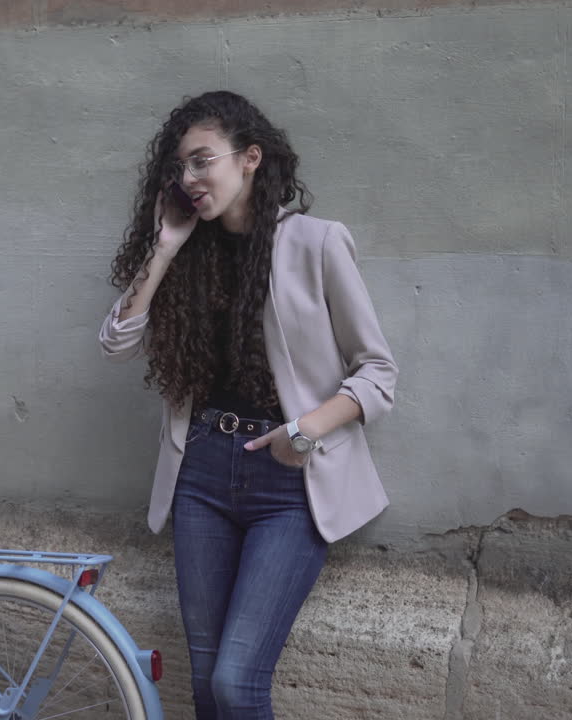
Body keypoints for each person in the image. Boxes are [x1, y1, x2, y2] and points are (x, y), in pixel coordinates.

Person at [98, 90, 398, 719]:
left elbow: (377, 373)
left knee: (237, 681)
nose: (189, 179)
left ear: (251, 158)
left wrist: (306, 431)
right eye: (180, 168)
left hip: (287, 482)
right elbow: (116, 343)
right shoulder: (189, 256)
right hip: (201, 475)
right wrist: (165, 245)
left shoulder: (316, 243)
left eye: (202, 161)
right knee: (205, 684)